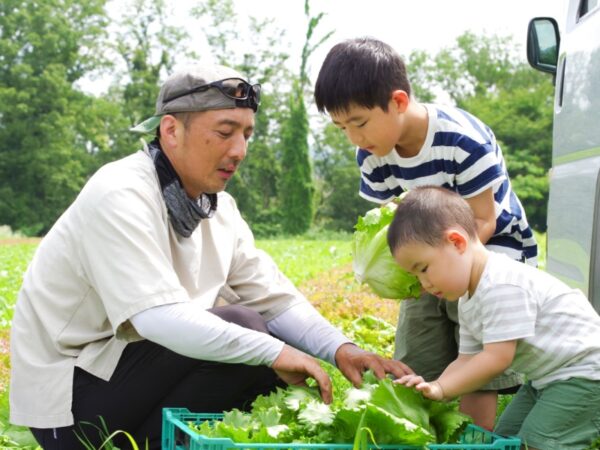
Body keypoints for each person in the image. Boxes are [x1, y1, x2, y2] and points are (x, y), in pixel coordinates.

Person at [9, 63, 412, 450]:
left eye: (248, 134)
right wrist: (275, 351)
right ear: (170, 131)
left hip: (125, 380)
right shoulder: (121, 193)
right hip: (68, 408)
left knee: (260, 345)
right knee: (248, 330)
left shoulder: (217, 208)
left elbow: (274, 298)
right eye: (225, 132)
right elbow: (157, 317)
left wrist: (342, 349)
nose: (239, 150)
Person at [313, 36, 537, 430]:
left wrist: (448, 272)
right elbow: (390, 223)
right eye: (342, 127)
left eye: (360, 123)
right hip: (427, 255)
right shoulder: (372, 156)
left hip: (489, 253)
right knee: (417, 349)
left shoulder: (462, 140)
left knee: (477, 354)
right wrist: (417, 273)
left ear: (398, 101)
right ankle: (424, 429)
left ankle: (473, 436)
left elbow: (484, 221)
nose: (354, 138)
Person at [390, 186, 600, 450]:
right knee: (502, 439)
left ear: (457, 242)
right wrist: (433, 387)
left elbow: (497, 359)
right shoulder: (468, 297)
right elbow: (466, 359)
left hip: (585, 374)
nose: (424, 284)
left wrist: (443, 388)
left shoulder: (501, 285)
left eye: (424, 269)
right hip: (545, 379)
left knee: (538, 443)